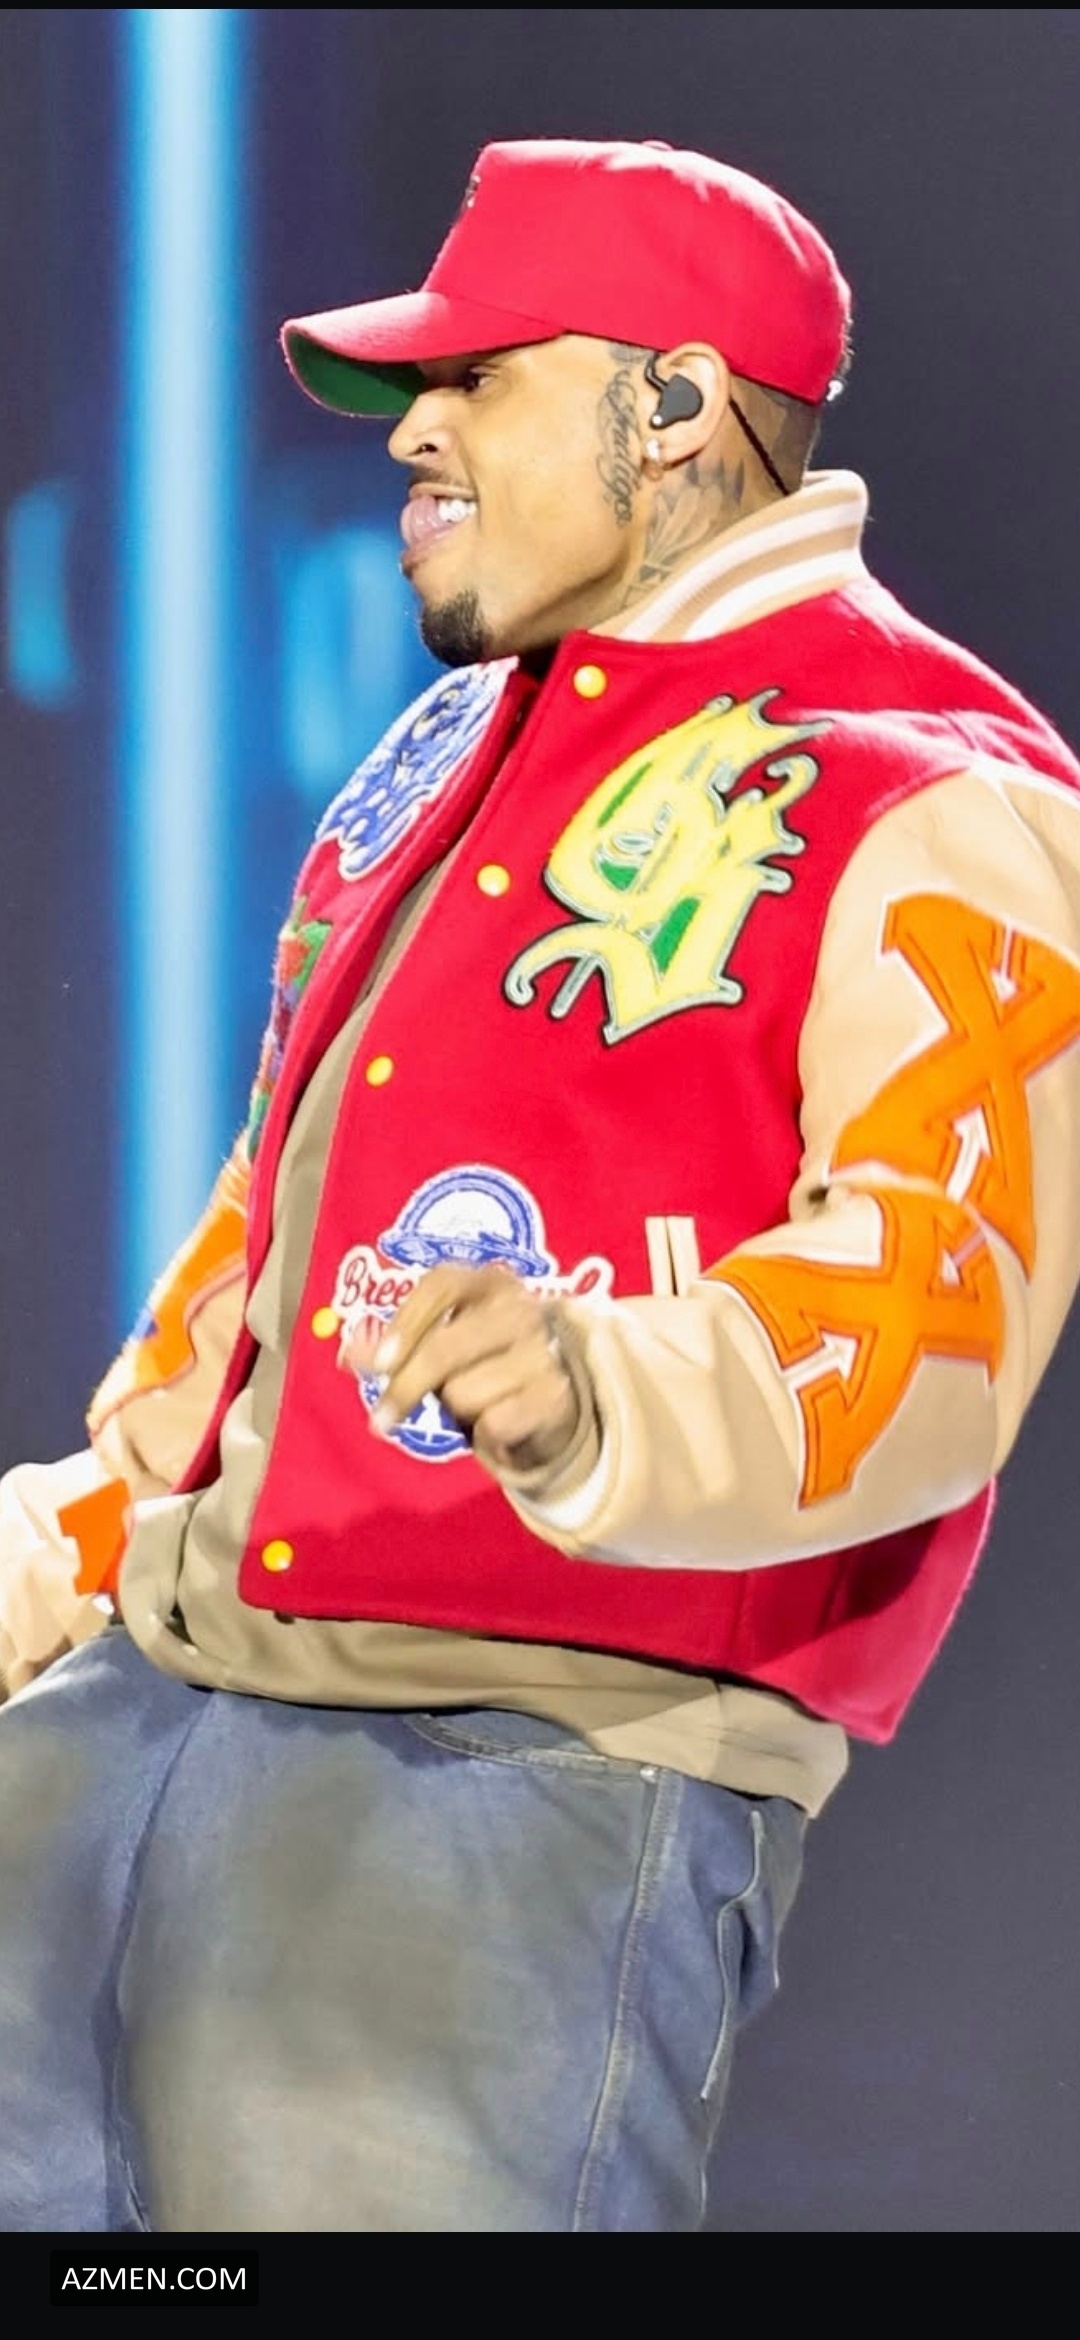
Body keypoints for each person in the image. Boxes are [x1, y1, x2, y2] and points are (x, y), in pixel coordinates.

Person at [2, 133, 1080, 2237]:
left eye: (477, 375)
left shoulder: (934, 789)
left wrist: (603, 1393)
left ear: (672, 407)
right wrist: (63, 1549)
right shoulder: (443, 752)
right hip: (139, 1708)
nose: (415, 429)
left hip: (513, 1772)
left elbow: (936, 1312)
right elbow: (268, 1252)